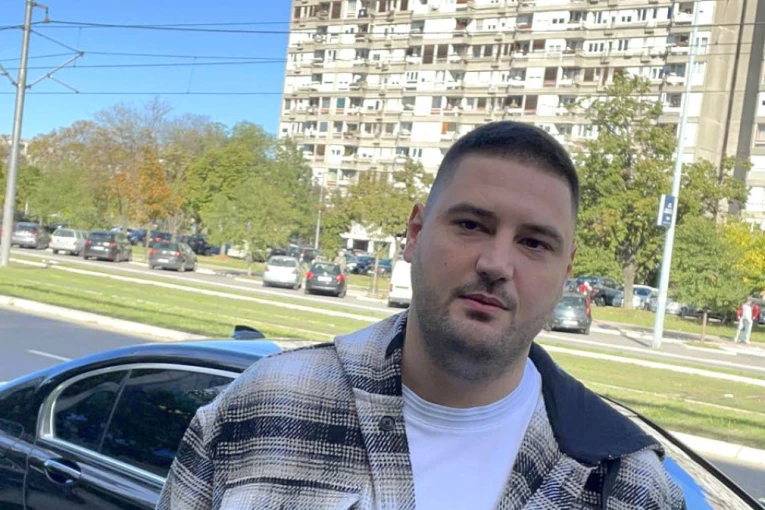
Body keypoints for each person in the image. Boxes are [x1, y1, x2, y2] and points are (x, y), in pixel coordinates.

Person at [158, 122, 685, 509]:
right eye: (472, 225)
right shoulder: (260, 408)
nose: (496, 264)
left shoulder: (630, 488)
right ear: (415, 234)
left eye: (533, 243)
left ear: (566, 270)